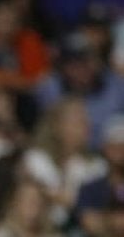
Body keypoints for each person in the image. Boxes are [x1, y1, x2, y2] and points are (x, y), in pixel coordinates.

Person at [23, 96, 106, 227]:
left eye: (86, 122)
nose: (86, 128)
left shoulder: (97, 165)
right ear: (57, 126)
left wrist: (58, 196)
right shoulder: (35, 158)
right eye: (78, 122)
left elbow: (94, 205)